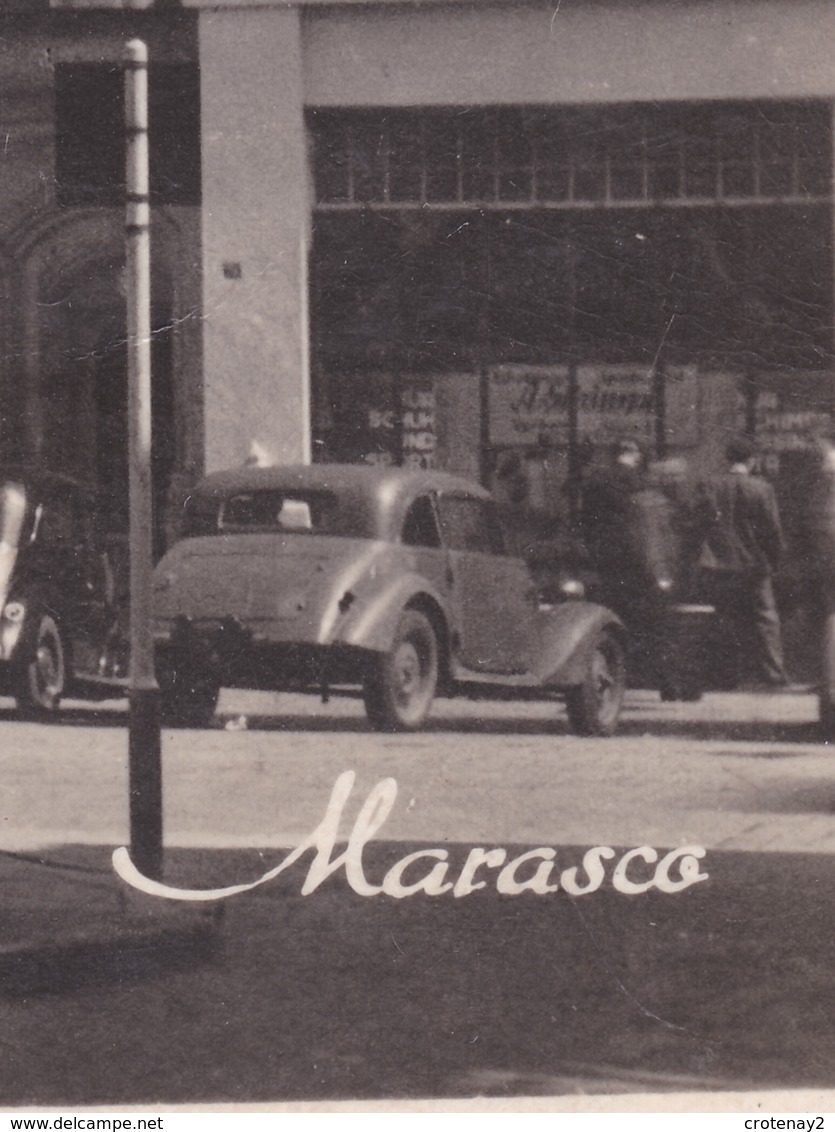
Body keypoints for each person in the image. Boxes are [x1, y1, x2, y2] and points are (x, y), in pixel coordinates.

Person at [698, 436, 787, 688]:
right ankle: (772, 673)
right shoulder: (762, 488)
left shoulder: (709, 484)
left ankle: (724, 675)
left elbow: (697, 524)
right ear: (752, 460)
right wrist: (776, 559)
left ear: (728, 459)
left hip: (718, 563)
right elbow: (772, 531)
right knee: (765, 618)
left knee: (724, 616)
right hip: (755, 565)